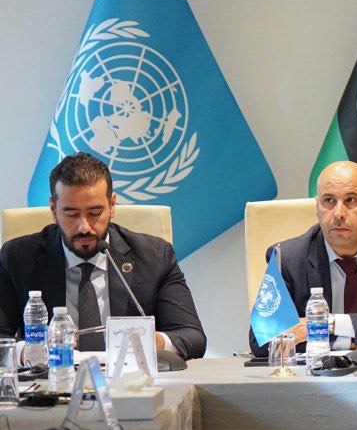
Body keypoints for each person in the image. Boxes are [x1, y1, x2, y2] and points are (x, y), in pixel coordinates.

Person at [0, 152, 206, 359]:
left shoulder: (155, 255)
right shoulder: (17, 258)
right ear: (53, 210)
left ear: (113, 205)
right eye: (71, 214)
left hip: (129, 382)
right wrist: (32, 351)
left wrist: (152, 340)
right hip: (54, 381)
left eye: (94, 213)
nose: (84, 227)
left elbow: (192, 337)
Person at [249, 161, 357, 357]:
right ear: (317, 207)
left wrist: (327, 323)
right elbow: (261, 340)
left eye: (351, 200)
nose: (339, 214)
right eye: (329, 201)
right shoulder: (287, 257)